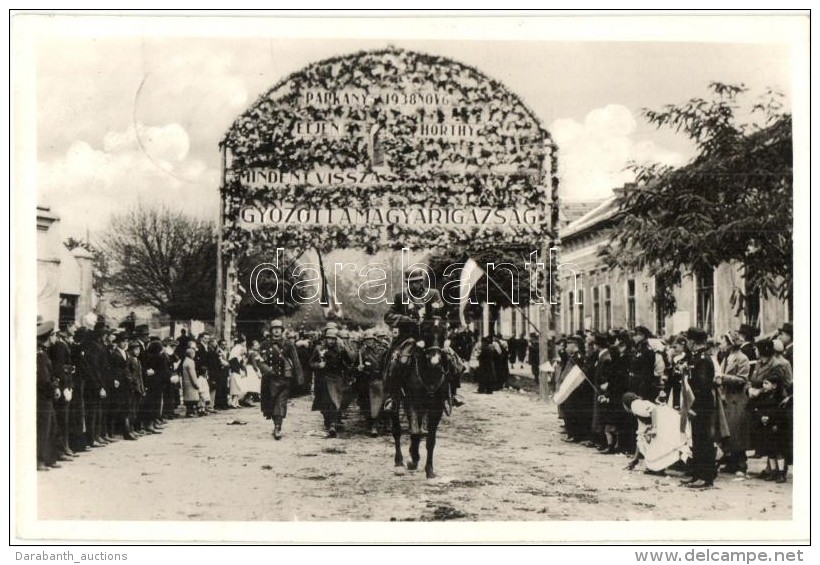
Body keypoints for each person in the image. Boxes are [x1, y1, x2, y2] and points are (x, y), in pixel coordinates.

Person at [382, 268, 445, 411]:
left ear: (422, 281)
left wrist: (431, 317)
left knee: (449, 357)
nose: (414, 285)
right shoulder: (400, 297)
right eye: (411, 283)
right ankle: (393, 396)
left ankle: (451, 393)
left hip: (430, 336)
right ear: (407, 283)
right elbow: (388, 316)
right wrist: (406, 319)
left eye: (417, 282)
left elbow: (441, 312)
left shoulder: (433, 294)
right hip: (408, 337)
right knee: (395, 360)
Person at [680, 327, 717, 489]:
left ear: (692, 342)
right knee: (696, 439)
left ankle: (706, 477)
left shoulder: (702, 359)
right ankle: (697, 474)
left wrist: (695, 407)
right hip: (696, 404)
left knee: (704, 441)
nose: (687, 343)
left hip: (701, 405)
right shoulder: (696, 357)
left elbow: (702, 386)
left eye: (688, 340)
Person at [259, 320, 303, 440]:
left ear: (282, 330)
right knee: (271, 403)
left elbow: (296, 361)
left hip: (284, 378)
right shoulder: (265, 344)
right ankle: (276, 424)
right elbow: (259, 360)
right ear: (271, 330)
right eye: (274, 328)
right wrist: (267, 370)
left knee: (280, 402)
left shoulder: (288, 344)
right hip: (269, 379)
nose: (277, 330)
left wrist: (299, 378)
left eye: (279, 328)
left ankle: (277, 427)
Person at [716, 332, 751, 476]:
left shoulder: (742, 358)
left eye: (724, 342)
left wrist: (723, 378)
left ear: (731, 343)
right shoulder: (726, 358)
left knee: (737, 432)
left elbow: (742, 379)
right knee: (728, 432)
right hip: (726, 398)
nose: (722, 345)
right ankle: (731, 462)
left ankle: (741, 464)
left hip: (737, 399)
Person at [310, 327, 354, 437]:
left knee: (335, 402)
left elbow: (349, 361)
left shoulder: (340, 349)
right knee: (325, 403)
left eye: (334, 339)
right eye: (329, 339)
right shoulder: (319, 349)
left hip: (336, 378)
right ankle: (327, 421)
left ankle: (333, 424)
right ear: (326, 339)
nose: (331, 341)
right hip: (323, 379)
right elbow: (310, 363)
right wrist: (318, 365)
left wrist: (345, 349)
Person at [752, 371, 789, 483]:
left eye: (766, 383)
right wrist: (762, 417)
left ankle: (781, 473)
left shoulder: (780, 398)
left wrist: (774, 422)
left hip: (776, 427)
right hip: (767, 426)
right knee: (771, 451)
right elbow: (758, 408)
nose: (764, 385)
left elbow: (781, 413)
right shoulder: (765, 396)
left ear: (774, 385)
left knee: (778, 451)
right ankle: (773, 472)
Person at [37, 320, 60, 470]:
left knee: (51, 427)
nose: (55, 339)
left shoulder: (43, 353)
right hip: (43, 398)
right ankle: (39, 461)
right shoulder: (41, 355)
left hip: (46, 396)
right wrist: (55, 388)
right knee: (44, 429)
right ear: (49, 337)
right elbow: (43, 379)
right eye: (54, 336)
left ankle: (49, 459)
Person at [181, 347, 201, 417]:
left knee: (188, 397)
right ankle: (191, 412)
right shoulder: (191, 362)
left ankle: (189, 411)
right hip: (190, 382)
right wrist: (195, 383)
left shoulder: (185, 361)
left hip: (186, 382)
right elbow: (192, 373)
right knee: (192, 398)